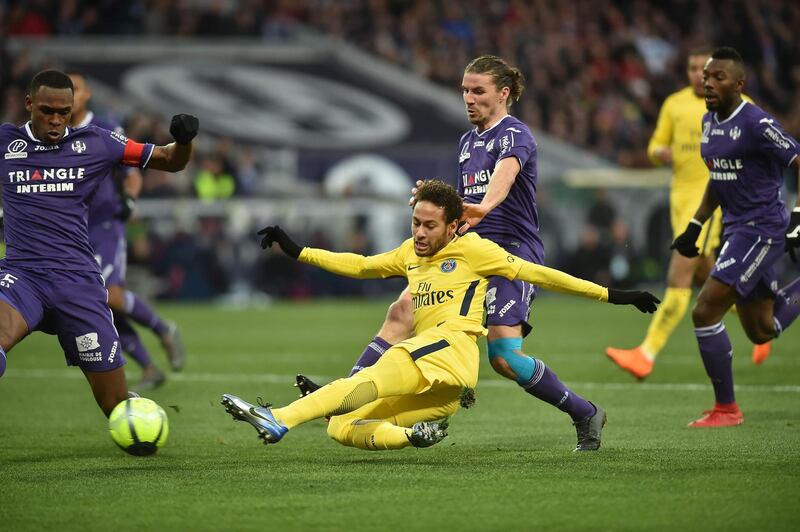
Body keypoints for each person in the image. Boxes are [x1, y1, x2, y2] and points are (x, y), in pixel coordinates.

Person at [295, 55, 618, 450]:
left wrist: (485, 205)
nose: (468, 98)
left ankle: (585, 412)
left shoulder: (515, 135)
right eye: (465, 90)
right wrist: (433, 198)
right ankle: (348, 390)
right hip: (466, 250)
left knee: (503, 357)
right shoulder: (467, 142)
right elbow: (461, 201)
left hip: (511, 251)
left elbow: (506, 174)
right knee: (402, 310)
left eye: (478, 90)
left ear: (502, 94)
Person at [221, 180, 659, 451]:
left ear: (453, 226)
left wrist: (615, 296)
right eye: (416, 222)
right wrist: (297, 249)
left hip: (449, 351)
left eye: (430, 225)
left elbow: (540, 273)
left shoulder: (474, 250)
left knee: (376, 371)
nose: (420, 232)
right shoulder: (412, 253)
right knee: (341, 426)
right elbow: (360, 264)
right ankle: (411, 436)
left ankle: (279, 418)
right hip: (443, 391)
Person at [0, 69, 198, 419]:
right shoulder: (6, 143)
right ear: (29, 104)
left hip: (77, 282)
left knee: (117, 408)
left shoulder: (97, 142)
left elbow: (169, 160)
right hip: (22, 278)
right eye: (47, 110)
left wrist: (183, 141)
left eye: (64, 112)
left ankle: (137, 402)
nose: (56, 120)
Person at [605, 47, 767, 379]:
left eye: (705, 69)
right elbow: (653, 146)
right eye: (694, 68)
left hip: (709, 206)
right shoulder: (674, 104)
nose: (698, 75)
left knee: (678, 277)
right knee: (709, 282)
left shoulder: (739, 107)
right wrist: (658, 152)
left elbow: (764, 148)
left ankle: (646, 354)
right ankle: (762, 321)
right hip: (680, 202)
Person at [670, 47, 800, 427]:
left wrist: (798, 215)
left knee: (705, 309)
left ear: (739, 84)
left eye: (718, 77)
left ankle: (726, 408)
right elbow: (719, 174)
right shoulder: (710, 120)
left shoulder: (757, 123)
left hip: (760, 228)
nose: (708, 83)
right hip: (734, 227)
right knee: (761, 330)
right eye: (706, 76)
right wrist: (695, 225)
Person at [67, 72, 186, 390]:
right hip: (72, 230)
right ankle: (149, 367)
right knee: (97, 302)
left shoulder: (105, 129)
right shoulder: (56, 134)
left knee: (110, 294)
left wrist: (130, 199)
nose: (70, 96)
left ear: (88, 94)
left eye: (75, 89)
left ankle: (162, 328)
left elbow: (131, 168)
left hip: (106, 222)